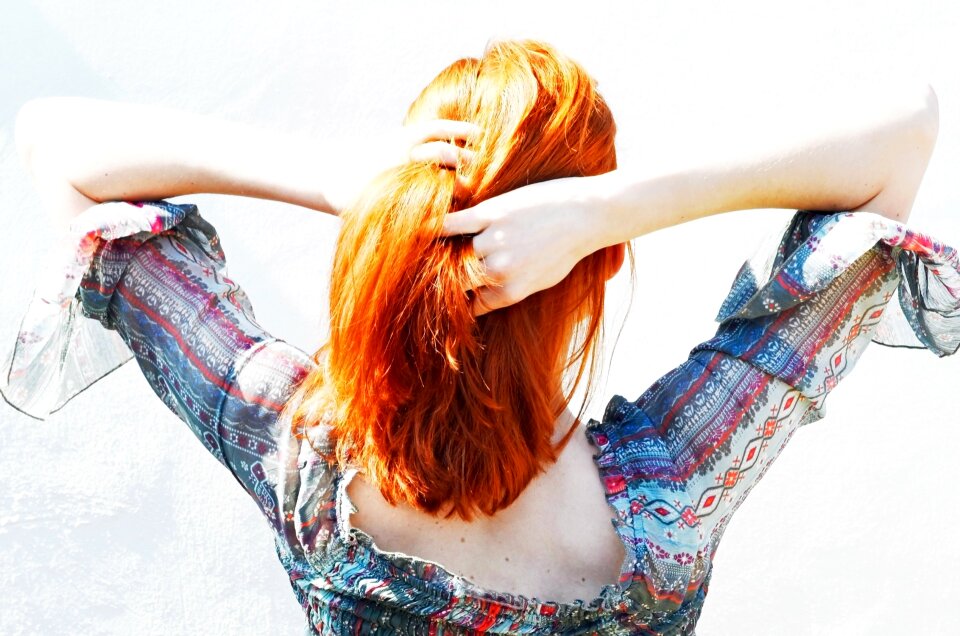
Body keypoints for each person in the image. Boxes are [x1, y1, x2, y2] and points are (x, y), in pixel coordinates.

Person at [2, 39, 957, 634]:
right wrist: (615, 206)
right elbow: (905, 130)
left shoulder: (303, 457)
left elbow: (57, 147)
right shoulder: (673, 486)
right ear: (601, 268)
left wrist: (341, 183)